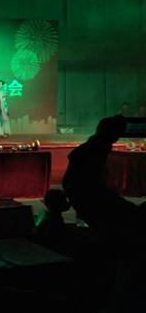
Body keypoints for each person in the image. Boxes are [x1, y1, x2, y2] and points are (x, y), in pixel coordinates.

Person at [62, 116, 146, 311]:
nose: (118, 137)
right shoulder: (95, 150)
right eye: (117, 132)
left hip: (88, 197)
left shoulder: (94, 147)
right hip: (89, 198)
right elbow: (88, 185)